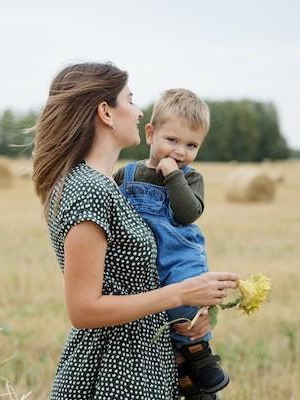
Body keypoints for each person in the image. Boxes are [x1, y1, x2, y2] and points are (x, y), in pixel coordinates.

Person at [32, 62, 238, 400]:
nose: (139, 111)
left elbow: (138, 281)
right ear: (106, 113)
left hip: (143, 363)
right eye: (130, 99)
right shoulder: (90, 189)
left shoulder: (106, 185)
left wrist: (188, 316)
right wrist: (181, 294)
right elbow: (83, 309)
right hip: (114, 372)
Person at [114, 88, 227, 397]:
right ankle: (183, 371)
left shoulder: (191, 178)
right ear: (150, 134)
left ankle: (199, 358)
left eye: (191, 145)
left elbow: (188, 213)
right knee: (160, 322)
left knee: (186, 315)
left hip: (179, 258)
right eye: (172, 141)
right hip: (145, 260)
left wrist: (173, 176)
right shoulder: (127, 174)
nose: (180, 151)